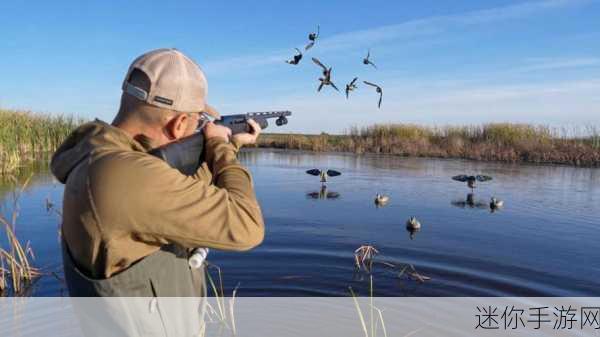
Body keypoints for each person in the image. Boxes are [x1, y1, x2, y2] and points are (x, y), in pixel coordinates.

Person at [50, 48, 265, 335]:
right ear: (178, 124)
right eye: (198, 123)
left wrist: (230, 144)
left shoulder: (101, 159)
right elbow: (247, 225)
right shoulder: (125, 176)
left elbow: (180, 192)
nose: (201, 130)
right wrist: (220, 148)